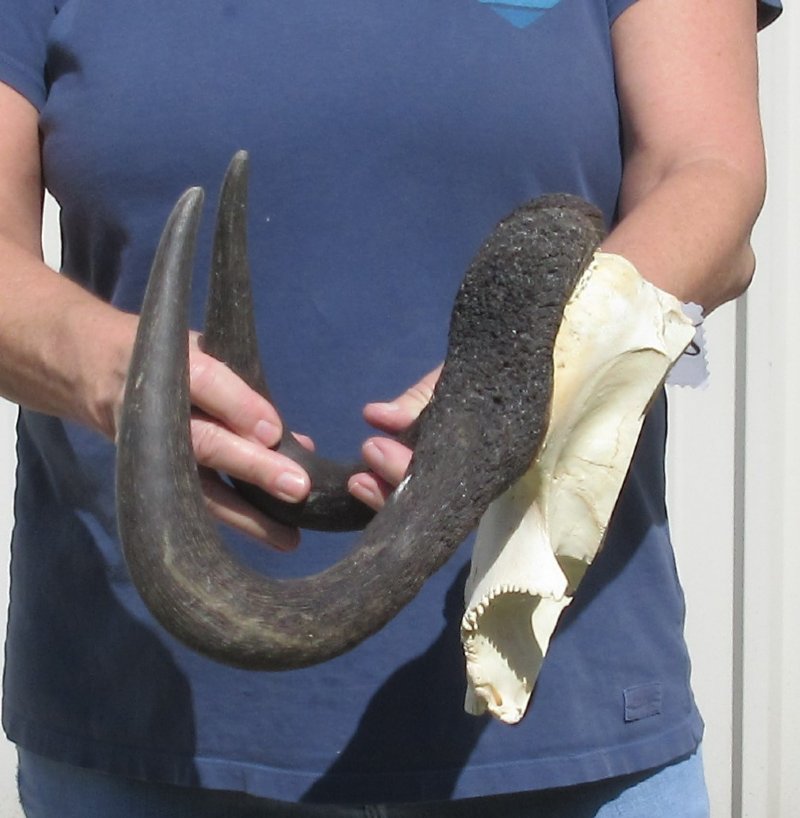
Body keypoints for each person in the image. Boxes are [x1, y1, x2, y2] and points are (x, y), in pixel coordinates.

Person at [0, 0, 781, 815]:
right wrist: (110, 368)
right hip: (145, 739)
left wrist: (540, 363)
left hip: (564, 720)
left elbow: (709, 175)